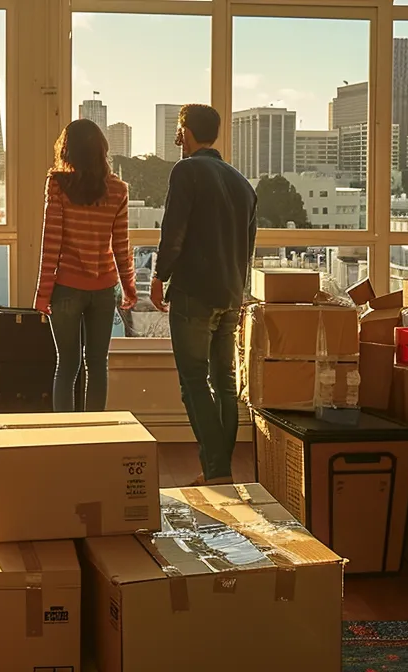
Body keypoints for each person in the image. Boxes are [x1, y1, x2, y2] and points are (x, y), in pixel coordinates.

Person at [150, 104, 257, 486]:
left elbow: (173, 229)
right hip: (231, 293)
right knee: (224, 381)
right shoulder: (241, 181)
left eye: (180, 131)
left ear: (186, 132)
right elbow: (248, 247)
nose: (178, 139)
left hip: (194, 291)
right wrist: (239, 291)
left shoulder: (187, 170)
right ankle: (220, 471)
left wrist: (159, 275)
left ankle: (217, 471)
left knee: (193, 381)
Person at [35, 119, 138, 412]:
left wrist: (42, 295)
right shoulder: (118, 189)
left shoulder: (57, 184)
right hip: (104, 289)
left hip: (65, 288)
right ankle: (95, 433)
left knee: (66, 365)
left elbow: (51, 243)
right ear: (101, 150)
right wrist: (129, 288)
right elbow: (121, 245)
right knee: (97, 364)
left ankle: (64, 436)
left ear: (67, 150)